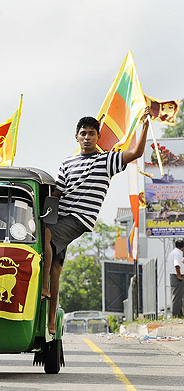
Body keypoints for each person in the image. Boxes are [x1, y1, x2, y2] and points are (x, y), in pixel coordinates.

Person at [42, 108, 150, 335]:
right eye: (83, 133)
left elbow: (136, 152)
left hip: (79, 218)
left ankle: (43, 288)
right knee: (55, 269)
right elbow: (57, 194)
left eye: (92, 133)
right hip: (60, 217)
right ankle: (51, 320)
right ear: (77, 137)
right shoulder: (67, 164)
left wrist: (145, 126)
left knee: (46, 235)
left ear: (98, 137)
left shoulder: (107, 160)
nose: (88, 137)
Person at [168, 240, 184, 317]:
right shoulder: (177, 253)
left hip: (175, 275)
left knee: (179, 296)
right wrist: (179, 275)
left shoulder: (175, 252)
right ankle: (176, 314)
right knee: (177, 296)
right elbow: (176, 265)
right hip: (177, 276)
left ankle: (179, 313)